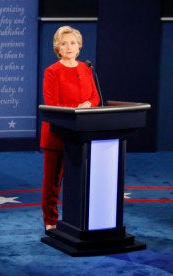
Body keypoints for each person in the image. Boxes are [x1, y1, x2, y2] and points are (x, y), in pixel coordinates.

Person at [41, 26, 100, 233]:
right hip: (57, 134)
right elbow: (52, 103)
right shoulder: (52, 71)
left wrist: (89, 105)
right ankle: (50, 220)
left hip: (81, 135)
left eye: (72, 43)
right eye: (64, 43)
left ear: (79, 46)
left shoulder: (86, 69)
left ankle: (77, 219)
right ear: (57, 46)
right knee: (53, 182)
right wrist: (77, 108)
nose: (68, 47)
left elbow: (95, 97)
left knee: (78, 180)